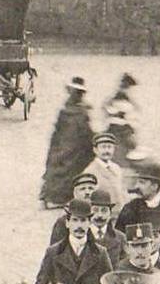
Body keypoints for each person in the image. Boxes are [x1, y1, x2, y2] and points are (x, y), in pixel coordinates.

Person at [36, 199, 113, 284]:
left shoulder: (100, 253)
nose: (79, 226)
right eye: (75, 220)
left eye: (83, 220)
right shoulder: (53, 253)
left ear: (89, 223)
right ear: (67, 223)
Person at [40, 77, 94, 209]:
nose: (76, 95)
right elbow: (85, 132)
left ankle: (53, 196)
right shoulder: (79, 111)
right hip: (71, 145)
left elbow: (59, 129)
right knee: (73, 163)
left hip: (64, 143)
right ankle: (59, 197)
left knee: (60, 163)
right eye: (75, 92)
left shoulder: (70, 109)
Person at [115, 161, 160, 235]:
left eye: (142, 182)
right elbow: (119, 238)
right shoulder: (130, 208)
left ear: (154, 186)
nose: (137, 186)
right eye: (137, 182)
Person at [83, 132, 127, 217]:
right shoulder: (90, 172)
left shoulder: (116, 168)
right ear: (95, 150)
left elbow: (123, 192)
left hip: (120, 215)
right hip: (102, 217)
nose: (107, 151)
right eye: (103, 147)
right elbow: (86, 199)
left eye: (109, 147)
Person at [48, 173, 98, 245]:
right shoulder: (64, 221)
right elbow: (56, 252)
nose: (87, 192)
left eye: (91, 188)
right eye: (82, 189)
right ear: (75, 193)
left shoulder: (103, 217)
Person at [89, 189, 126, 268]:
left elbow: (125, 268)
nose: (99, 215)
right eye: (95, 210)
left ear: (110, 214)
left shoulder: (121, 238)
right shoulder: (82, 236)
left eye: (104, 211)